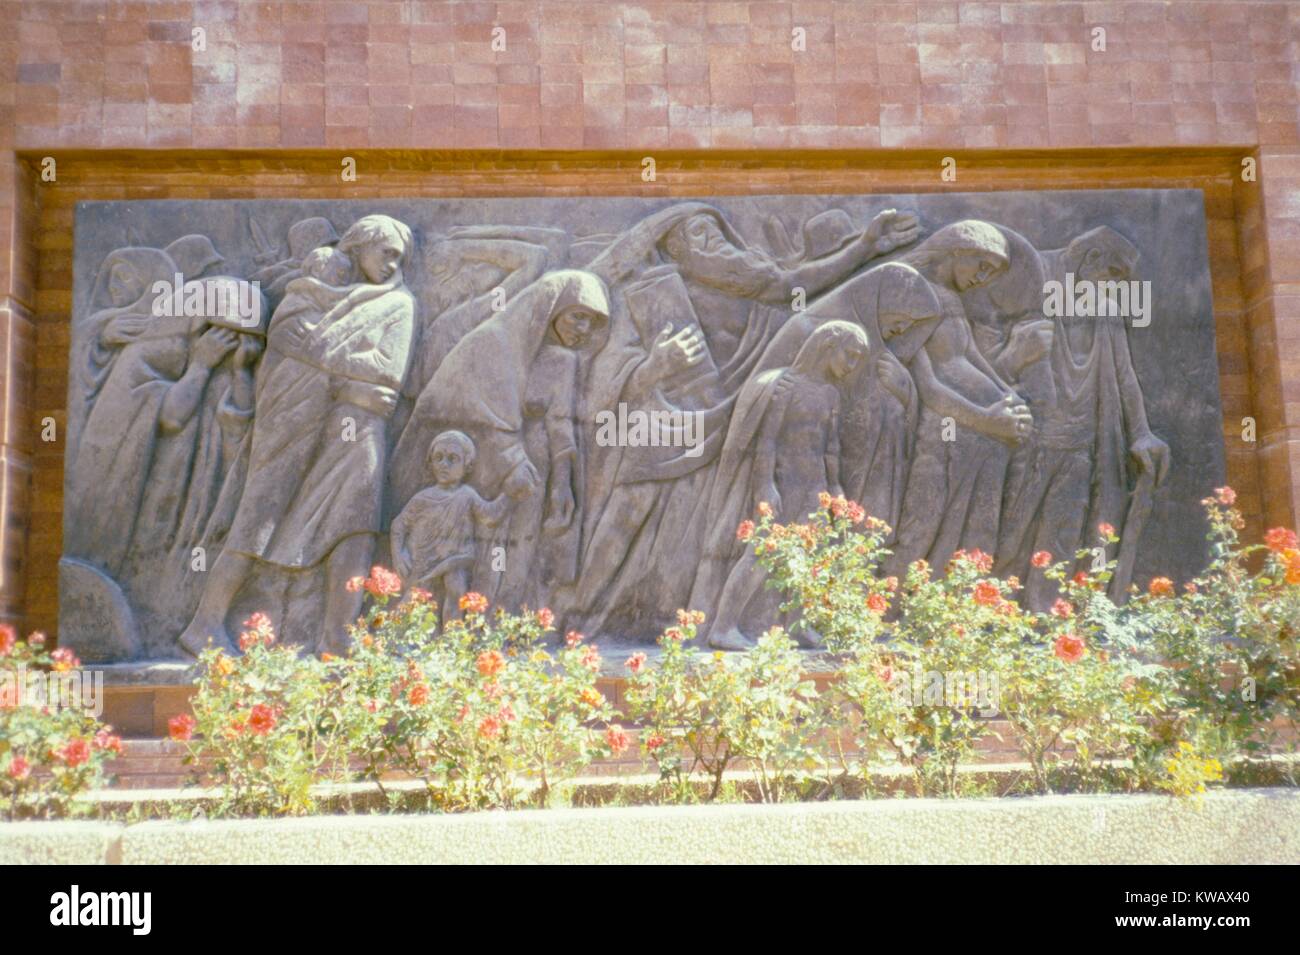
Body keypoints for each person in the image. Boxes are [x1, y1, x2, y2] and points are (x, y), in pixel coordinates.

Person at [177, 214, 416, 657]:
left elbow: (388, 370)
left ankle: (338, 637)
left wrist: (330, 364)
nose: (391, 264)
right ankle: (204, 623)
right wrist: (345, 374)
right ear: (359, 245)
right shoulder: (303, 297)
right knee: (258, 516)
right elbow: (289, 343)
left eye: (399, 259)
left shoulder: (396, 304)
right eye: (385, 253)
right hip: (291, 424)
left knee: (356, 526)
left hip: (356, 431)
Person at [393, 269, 610, 613]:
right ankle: (458, 626)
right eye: (578, 316)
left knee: (518, 550)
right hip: (483, 461)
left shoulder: (563, 362)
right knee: (474, 549)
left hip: (531, 467)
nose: (583, 329)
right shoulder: (491, 342)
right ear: (551, 308)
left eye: (592, 322)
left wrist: (563, 484)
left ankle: (500, 625)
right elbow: (453, 403)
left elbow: (561, 424)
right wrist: (510, 457)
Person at [693, 321, 870, 650]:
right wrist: (764, 486)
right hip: (783, 484)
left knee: (810, 557)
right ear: (827, 347)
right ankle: (723, 627)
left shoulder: (831, 394)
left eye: (857, 359)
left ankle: (797, 626)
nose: (851, 365)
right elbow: (767, 442)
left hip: (814, 487)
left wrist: (835, 488)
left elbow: (831, 446)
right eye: (849, 355)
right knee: (760, 555)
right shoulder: (786, 386)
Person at [888, 221, 1034, 573]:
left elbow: (969, 354)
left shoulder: (951, 298)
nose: (983, 278)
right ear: (955, 250)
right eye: (981, 265)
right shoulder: (912, 293)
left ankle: (961, 611)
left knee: (976, 528)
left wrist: (1006, 393)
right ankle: (891, 610)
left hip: (986, 436)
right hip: (947, 430)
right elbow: (929, 387)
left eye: (992, 273)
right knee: (925, 523)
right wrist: (988, 420)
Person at [391, 430, 519, 624]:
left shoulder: (467, 495)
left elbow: (489, 516)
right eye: (439, 458)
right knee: (416, 596)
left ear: (467, 466)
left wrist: (509, 494)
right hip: (422, 559)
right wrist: (398, 554)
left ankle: (453, 636)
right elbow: (399, 525)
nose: (444, 464)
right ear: (430, 462)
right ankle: (399, 636)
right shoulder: (423, 498)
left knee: (457, 590)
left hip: (456, 557)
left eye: (453, 459)